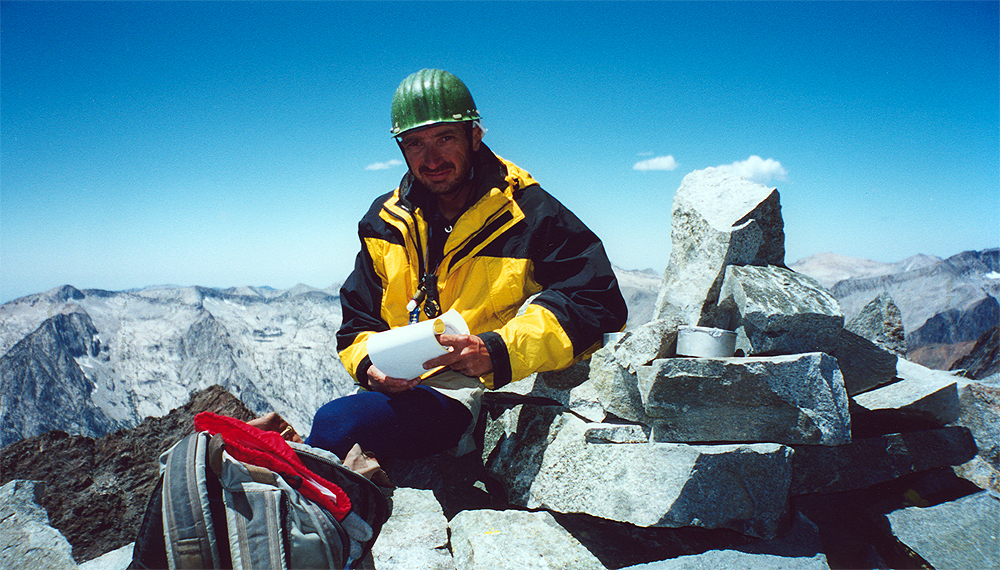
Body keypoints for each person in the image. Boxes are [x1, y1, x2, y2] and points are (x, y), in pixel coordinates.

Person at [306, 69, 627, 460]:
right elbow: (357, 324)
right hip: (397, 387)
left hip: (468, 386)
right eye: (415, 143)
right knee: (336, 428)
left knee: (338, 426)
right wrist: (368, 368)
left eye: (445, 138)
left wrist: (495, 350)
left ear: (475, 136)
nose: (431, 159)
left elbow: (596, 300)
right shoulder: (385, 221)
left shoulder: (526, 212)